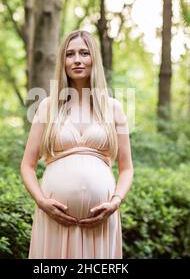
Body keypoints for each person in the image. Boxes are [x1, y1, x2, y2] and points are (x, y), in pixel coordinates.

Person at [20, 30, 134, 259]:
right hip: (54, 220)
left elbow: (127, 168)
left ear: (94, 59)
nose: (77, 60)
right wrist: (42, 202)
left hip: (101, 223)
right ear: (63, 61)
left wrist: (115, 202)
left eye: (84, 53)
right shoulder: (47, 107)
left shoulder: (113, 108)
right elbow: (27, 166)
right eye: (70, 54)